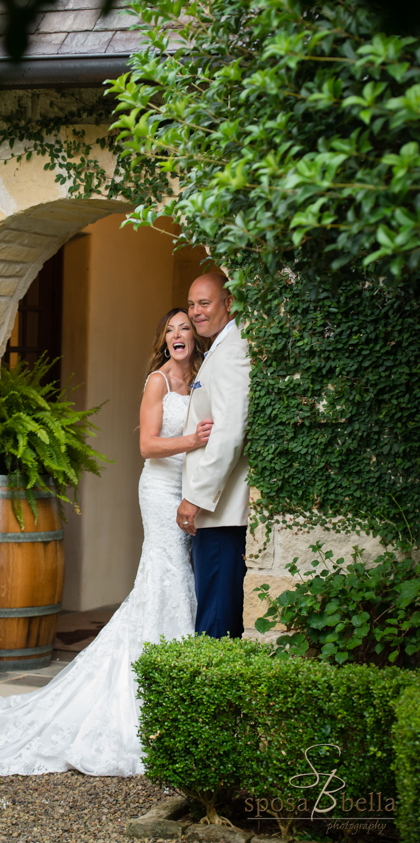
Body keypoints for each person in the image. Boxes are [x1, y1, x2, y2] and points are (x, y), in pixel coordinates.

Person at [0, 308, 211, 777]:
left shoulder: (204, 378)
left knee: (174, 579)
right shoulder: (159, 382)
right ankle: (156, 690)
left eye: (183, 328)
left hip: (192, 490)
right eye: (168, 329)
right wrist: (192, 439)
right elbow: (148, 446)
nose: (176, 335)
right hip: (161, 490)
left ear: (195, 336)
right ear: (163, 340)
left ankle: (174, 683)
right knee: (166, 573)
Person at [177, 271, 251, 640]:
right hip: (215, 514)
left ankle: (217, 697)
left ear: (229, 303)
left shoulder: (232, 352)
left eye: (203, 303)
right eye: (191, 304)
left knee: (216, 622)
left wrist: (196, 497)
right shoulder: (219, 349)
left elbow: (228, 433)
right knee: (214, 610)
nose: (195, 312)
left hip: (220, 514)